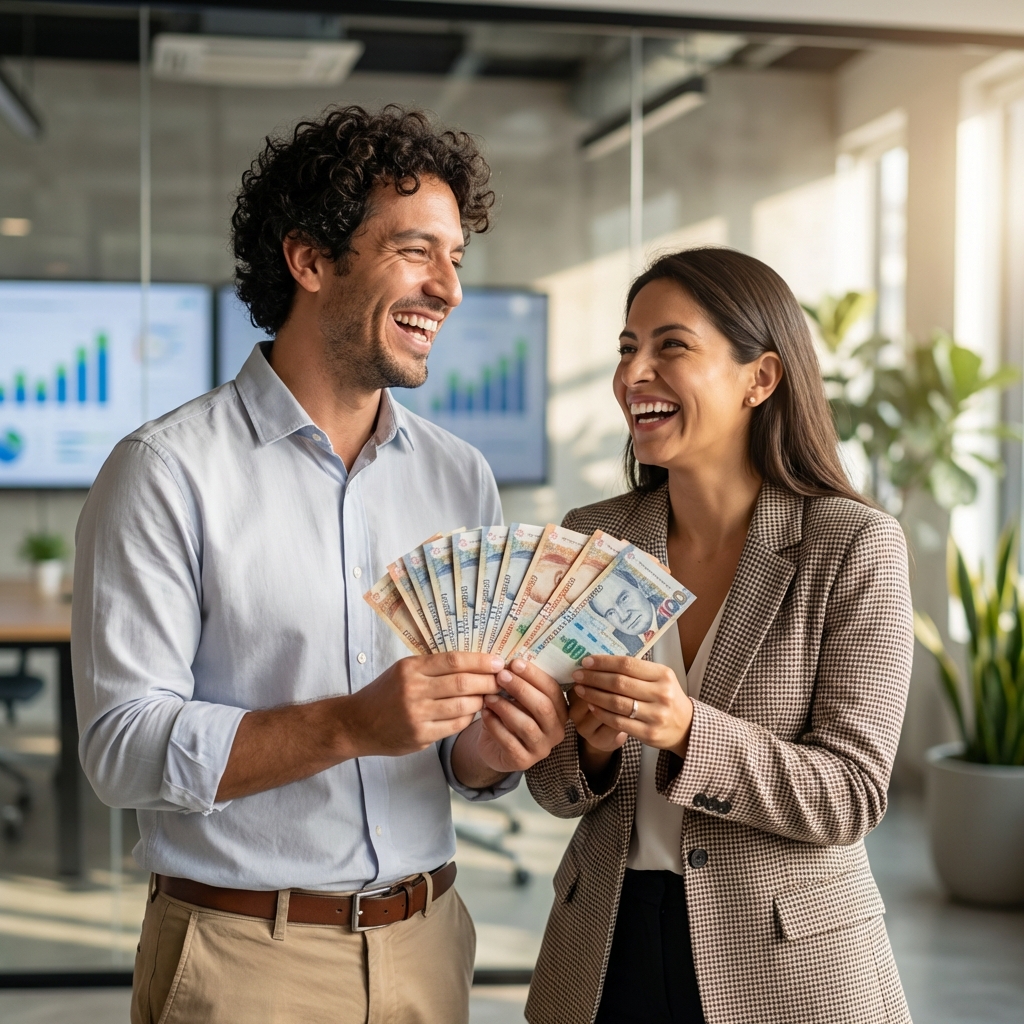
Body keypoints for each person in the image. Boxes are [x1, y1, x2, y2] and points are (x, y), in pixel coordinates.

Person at [72, 105, 568, 1024]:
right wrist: (348, 724)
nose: (450, 289)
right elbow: (120, 749)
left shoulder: (461, 479)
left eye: (456, 257)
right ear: (308, 260)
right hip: (241, 963)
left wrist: (488, 752)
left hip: (429, 946)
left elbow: (454, 755)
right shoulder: (166, 470)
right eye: (415, 250)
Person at [509, 248, 914, 1024]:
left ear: (759, 379)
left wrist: (689, 731)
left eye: (671, 345)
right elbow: (554, 783)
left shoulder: (852, 544)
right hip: (604, 949)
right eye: (628, 348)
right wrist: (589, 747)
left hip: (786, 965)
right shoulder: (593, 538)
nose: (635, 373)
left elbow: (852, 795)